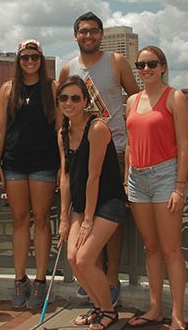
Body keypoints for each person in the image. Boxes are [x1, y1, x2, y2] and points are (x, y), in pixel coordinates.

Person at [59, 11, 139, 305]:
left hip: (115, 149)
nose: (88, 35)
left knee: (110, 219)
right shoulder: (69, 68)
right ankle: (92, 273)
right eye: (83, 31)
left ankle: (112, 276)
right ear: (76, 35)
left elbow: (135, 98)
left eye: (94, 31)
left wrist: (135, 143)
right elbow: (63, 112)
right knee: (84, 212)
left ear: (101, 34)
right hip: (83, 152)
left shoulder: (115, 62)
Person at [0, 39, 60, 309]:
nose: (29, 62)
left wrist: (62, 167)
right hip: (14, 163)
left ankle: (40, 280)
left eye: (34, 57)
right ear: (17, 61)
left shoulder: (52, 88)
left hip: (44, 162)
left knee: (42, 219)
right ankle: (20, 279)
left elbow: (59, 129)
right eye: (24, 57)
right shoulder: (8, 89)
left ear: (41, 60)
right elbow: (0, 129)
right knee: (19, 219)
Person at [125, 46, 188, 330]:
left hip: (165, 176)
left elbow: (184, 147)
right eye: (140, 65)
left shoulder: (174, 97)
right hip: (137, 179)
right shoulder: (132, 101)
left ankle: (178, 315)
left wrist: (179, 185)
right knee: (150, 247)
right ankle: (155, 308)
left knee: (171, 249)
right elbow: (129, 142)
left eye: (152, 64)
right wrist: (127, 176)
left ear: (163, 66)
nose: (146, 69)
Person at [57, 76, 127, 330]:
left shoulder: (97, 129)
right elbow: (65, 177)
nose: (69, 103)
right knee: (73, 258)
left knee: (85, 258)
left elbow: (94, 177)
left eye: (75, 98)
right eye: (64, 98)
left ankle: (109, 311)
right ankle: (98, 307)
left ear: (86, 101)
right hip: (80, 203)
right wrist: (65, 219)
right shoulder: (63, 133)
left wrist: (87, 220)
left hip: (108, 201)